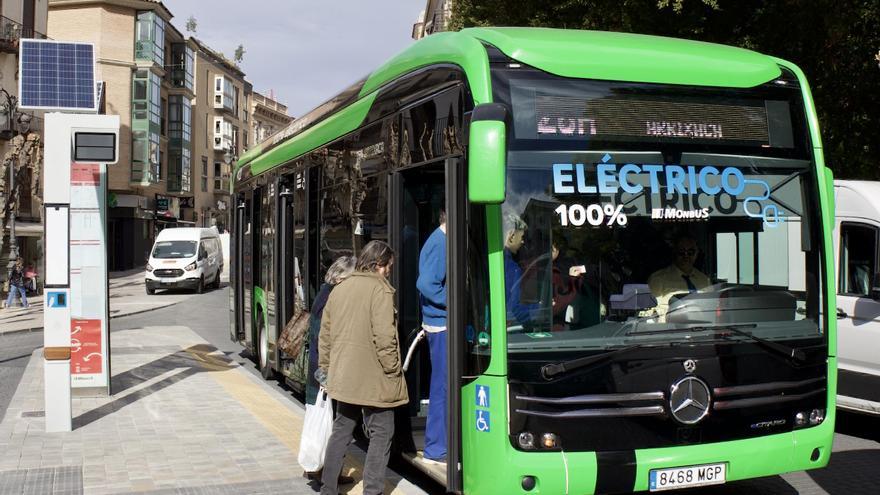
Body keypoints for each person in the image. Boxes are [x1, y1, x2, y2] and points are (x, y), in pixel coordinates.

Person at [318, 240, 407, 495]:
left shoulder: (340, 289)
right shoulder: (380, 291)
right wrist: (393, 370)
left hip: (344, 375)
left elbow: (325, 335)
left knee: (342, 430)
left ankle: (328, 488)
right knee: (382, 432)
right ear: (379, 265)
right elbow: (385, 338)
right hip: (375, 379)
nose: (390, 271)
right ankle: (373, 490)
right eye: (389, 266)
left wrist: (326, 369)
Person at [303, 256, 356, 485]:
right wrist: (327, 374)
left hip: (320, 368)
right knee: (332, 423)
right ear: (341, 277)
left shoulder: (324, 293)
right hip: (324, 370)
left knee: (326, 420)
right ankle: (324, 472)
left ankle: (321, 469)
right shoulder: (332, 298)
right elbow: (325, 340)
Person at [416, 209, 447, 465]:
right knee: (442, 387)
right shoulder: (440, 242)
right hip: (442, 325)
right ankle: (436, 448)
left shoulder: (439, 239)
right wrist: (455, 302)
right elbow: (426, 284)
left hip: (441, 324)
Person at [647, 234, 710, 318]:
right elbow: (650, 314)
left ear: (697, 253)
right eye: (681, 252)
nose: (686, 256)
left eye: (690, 252)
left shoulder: (704, 280)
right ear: (674, 253)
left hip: (703, 329)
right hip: (669, 329)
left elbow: (711, 309)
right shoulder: (658, 279)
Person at [503, 214, 540, 327]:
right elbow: (514, 308)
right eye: (522, 237)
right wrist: (540, 308)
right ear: (512, 236)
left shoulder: (498, 261)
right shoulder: (511, 267)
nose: (523, 242)